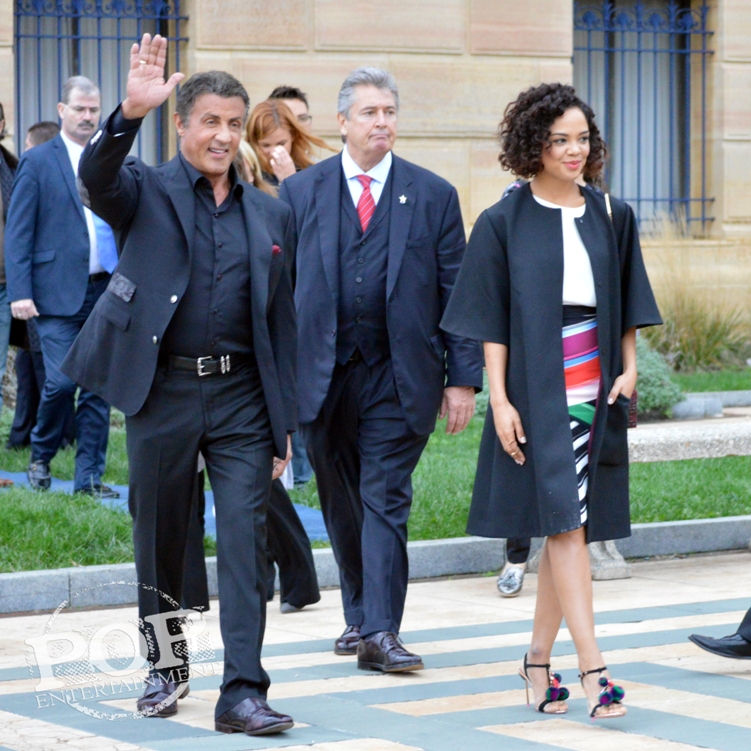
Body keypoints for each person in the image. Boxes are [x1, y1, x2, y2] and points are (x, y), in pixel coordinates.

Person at [62, 34, 297, 736]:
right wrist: (127, 113)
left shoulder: (270, 213)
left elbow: (281, 322)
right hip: (159, 390)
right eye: (209, 122)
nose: (222, 135)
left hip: (242, 398)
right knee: (160, 536)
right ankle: (166, 668)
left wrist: (284, 421)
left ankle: (244, 691)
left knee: (247, 541)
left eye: (233, 123)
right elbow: (97, 180)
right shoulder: (144, 191)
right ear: (182, 125)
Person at [441, 83, 662, 719]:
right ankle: (596, 670)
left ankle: (537, 662)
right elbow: (490, 322)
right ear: (532, 145)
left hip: (598, 388)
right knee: (566, 522)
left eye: (581, 138)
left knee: (571, 523)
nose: (572, 150)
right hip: (539, 389)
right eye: (558, 139)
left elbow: (627, 300)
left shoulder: (612, 213)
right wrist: (501, 401)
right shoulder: (502, 221)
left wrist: (629, 369)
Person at [279, 66, 483, 672]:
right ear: (342, 122)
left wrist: (462, 377)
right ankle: (359, 613)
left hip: (402, 375)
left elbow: (457, 294)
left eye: (389, 112)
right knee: (341, 501)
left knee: (385, 497)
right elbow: (278, 294)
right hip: (323, 375)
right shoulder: (299, 194)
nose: (382, 122)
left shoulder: (433, 195)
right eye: (370, 112)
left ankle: (381, 632)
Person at [5, 77, 118, 497]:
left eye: (94, 110)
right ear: (61, 110)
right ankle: (40, 455)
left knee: (96, 388)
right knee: (62, 383)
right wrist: (20, 291)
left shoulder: (110, 155)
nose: (88, 117)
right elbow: (18, 232)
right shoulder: (38, 161)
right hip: (54, 294)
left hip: (105, 288)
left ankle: (88, 479)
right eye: (80, 109)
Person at [7, 120, 76, 452]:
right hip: (27, 288)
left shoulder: (20, 166)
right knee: (32, 365)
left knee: (44, 368)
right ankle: (28, 437)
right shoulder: (18, 166)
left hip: (44, 289)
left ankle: (46, 438)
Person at [246, 99, 333, 187]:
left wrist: (290, 180)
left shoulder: (312, 172)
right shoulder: (246, 173)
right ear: (254, 142)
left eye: (281, 144)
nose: (273, 152)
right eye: (265, 145)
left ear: (293, 136)